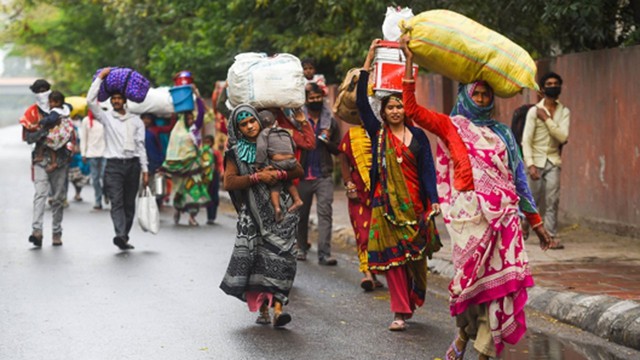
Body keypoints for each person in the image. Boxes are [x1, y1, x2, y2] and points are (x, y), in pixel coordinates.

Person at [399, 36, 552, 359]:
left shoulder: (503, 133)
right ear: (466, 96)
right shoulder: (451, 125)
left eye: (485, 94)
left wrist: (536, 222)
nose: (481, 98)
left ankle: (482, 350)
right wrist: (410, 61)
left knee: (499, 290)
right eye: (476, 93)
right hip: (467, 221)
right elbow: (410, 109)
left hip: (503, 221)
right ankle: (463, 334)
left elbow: (519, 178)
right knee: (468, 285)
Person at [356, 40, 442, 331]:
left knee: (414, 260)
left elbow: (428, 171)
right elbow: (360, 102)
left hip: (415, 206)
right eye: (390, 107)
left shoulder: (418, 138)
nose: (395, 110)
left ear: (406, 109)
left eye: (400, 106)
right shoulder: (378, 134)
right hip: (385, 205)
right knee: (393, 261)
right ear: (384, 111)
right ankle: (399, 312)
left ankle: (413, 297)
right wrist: (368, 59)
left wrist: (435, 201)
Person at [220, 104, 304, 328]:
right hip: (253, 216)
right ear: (238, 129)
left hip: (281, 214)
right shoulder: (235, 153)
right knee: (259, 262)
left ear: (258, 120)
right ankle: (264, 309)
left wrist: (277, 173)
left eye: (252, 121)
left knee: (284, 258)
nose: (249, 126)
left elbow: (298, 170)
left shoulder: (274, 141)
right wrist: (257, 179)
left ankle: (278, 308)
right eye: (244, 124)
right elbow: (229, 182)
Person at [87, 67, 149, 251]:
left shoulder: (136, 121)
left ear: (124, 100)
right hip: (113, 166)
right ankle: (120, 234)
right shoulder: (106, 118)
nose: (115, 101)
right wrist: (99, 78)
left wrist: (145, 171)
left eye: (118, 98)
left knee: (130, 204)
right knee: (117, 202)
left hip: (133, 166)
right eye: (113, 99)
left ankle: (124, 236)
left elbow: (141, 146)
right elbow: (90, 101)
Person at [21, 81, 74, 247]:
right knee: (40, 194)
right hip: (40, 159)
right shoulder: (31, 113)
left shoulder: (63, 110)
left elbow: (70, 132)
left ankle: (56, 233)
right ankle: (36, 231)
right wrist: (44, 131)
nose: (42, 93)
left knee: (58, 198)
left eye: (45, 90)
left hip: (60, 160)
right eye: (38, 91)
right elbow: (27, 137)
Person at [522, 72, 570, 250]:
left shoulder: (564, 112)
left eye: (556, 83)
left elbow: (563, 137)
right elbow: (526, 140)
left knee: (552, 200)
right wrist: (530, 164)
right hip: (535, 160)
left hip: (553, 161)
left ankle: (550, 237)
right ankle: (524, 221)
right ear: (543, 89)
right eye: (549, 83)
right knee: (532, 200)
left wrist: (547, 119)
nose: (553, 86)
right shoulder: (533, 111)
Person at [296, 83, 341, 265]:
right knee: (301, 215)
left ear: (322, 97)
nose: (315, 100)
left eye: (317, 97)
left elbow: (338, 149)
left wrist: (327, 141)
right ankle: (301, 248)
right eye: (311, 98)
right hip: (302, 175)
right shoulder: (299, 121)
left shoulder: (330, 121)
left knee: (325, 214)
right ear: (306, 100)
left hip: (323, 174)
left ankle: (325, 253)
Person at [338, 118, 384, 291]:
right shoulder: (352, 134)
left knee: (378, 234)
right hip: (359, 191)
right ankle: (367, 274)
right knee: (363, 234)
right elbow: (343, 158)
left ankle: (376, 271)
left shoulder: (385, 133)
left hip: (382, 192)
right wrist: (348, 183)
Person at [162, 93, 211, 226]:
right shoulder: (177, 132)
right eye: (188, 119)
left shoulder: (194, 130)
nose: (191, 121)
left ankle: (192, 217)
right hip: (180, 168)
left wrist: (198, 95)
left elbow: (201, 113)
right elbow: (173, 150)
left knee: (194, 191)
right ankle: (178, 209)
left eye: (192, 118)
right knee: (179, 192)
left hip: (194, 166)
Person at [255, 110, 304, 222]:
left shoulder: (264, 133)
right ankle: (297, 200)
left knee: (275, 183)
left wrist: (259, 164)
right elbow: (294, 145)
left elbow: (261, 149)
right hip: (291, 161)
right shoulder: (285, 131)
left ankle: (277, 208)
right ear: (276, 121)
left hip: (277, 163)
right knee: (288, 181)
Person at [33, 91, 74, 174]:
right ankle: (67, 157)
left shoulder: (55, 111)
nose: (49, 104)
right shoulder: (66, 108)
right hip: (68, 131)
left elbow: (51, 119)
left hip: (59, 132)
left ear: (57, 102)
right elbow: (71, 106)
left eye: (51, 102)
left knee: (48, 143)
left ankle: (51, 161)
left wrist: (42, 121)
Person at [81, 111, 107, 209]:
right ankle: (98, 200)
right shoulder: (86, 121)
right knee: (95, 179)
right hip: (92, 154)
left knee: (105, 176)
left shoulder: (105, 119)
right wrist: (83, 153)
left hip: (105, 152)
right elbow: (84, 138)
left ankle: (106, 192)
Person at [202, 135, 220, 225]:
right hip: (206, 176)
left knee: (214, 196)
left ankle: (213, 215)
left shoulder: (215, 153)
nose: (207, 144)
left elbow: (219, 163)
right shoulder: (203, 153)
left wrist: (221, 173)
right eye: (205, 142)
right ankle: (209, 217)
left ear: (212, 143)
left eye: (208, 142)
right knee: (208, 196)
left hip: (214, 175)